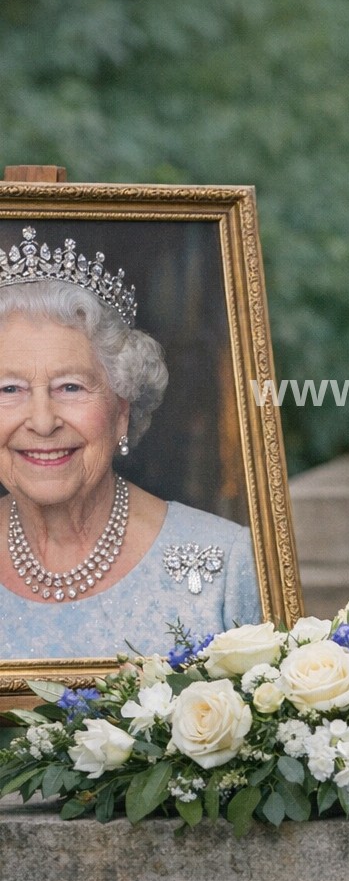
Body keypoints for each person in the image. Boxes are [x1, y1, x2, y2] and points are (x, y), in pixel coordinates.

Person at [0, 227, 261, 658]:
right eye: (9, 390)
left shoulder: (227, 563)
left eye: (70, 387)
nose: (43, 422)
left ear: (122, 410)